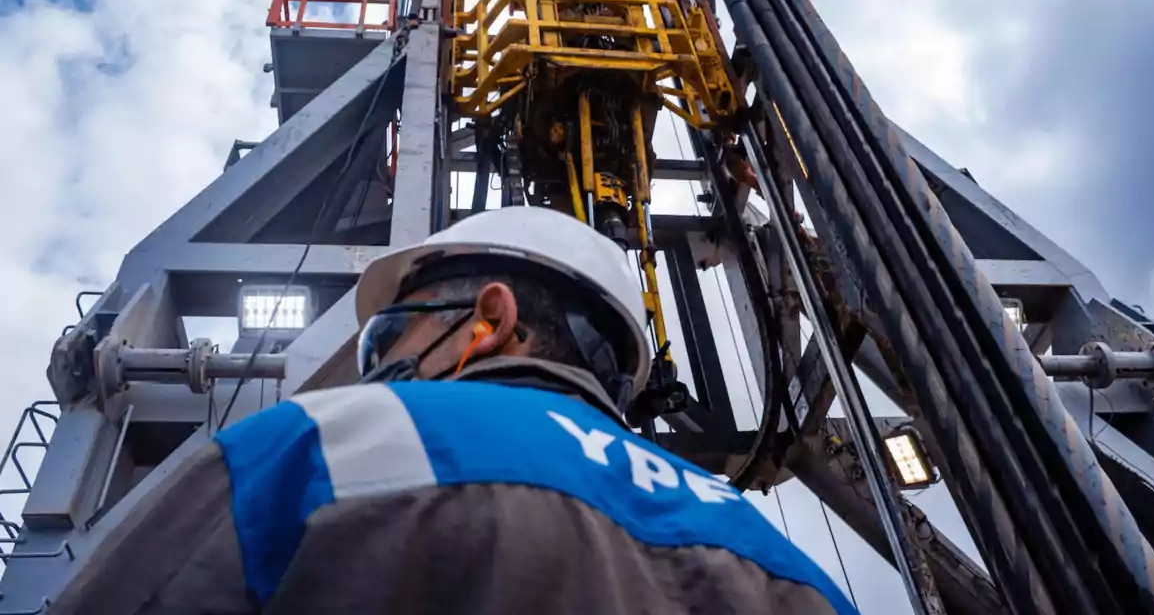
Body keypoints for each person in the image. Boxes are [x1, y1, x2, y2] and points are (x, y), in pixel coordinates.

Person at [52, 207, 859, 615]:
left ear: (491, 319)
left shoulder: (319, 446)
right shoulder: (792, 569)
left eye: (390, 338)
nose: (384, 369)